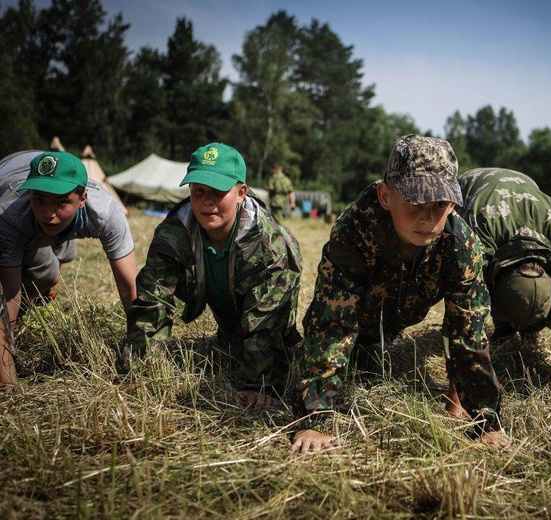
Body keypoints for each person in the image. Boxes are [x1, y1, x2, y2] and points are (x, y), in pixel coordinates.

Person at [290, 135, 507, 454]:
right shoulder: (354, 231)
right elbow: (332, 325)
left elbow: (468, 335)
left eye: (440, 205)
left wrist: (487, 421)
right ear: (385, 195)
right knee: (348, 357)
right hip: (358, 319)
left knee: (374, 362)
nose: (429, 219)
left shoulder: (462, 246)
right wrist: (314, 419)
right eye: (416, 201)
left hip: (398, 318)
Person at [120, 143, 302, 410]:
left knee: (279, 350)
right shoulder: (174, 233)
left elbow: (267, 318)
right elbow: (152, 302)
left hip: (267, 313)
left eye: (218, 192)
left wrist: (258, 385)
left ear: (241, 193)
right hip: (225, 306)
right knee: (231, 345)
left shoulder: (267, 245)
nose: (207, 202)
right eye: (199, 192)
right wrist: (138, 371)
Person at [455, 168, 551, 411]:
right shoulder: (478, 230)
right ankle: (505, 327)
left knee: (547, 304)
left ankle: (524, 324)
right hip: (470, 188)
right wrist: (457, 396)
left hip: (529, 184)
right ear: (493, 284)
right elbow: (465, 308)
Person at [0, 150, 138, 381]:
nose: (48, 214)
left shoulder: (105, 212)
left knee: (49, 277)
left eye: (62, 201)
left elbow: (130, 289)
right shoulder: (11, 214)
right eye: (39, 199)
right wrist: (10, 376)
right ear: (29, 193)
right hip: (9, 177)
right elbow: (9, 298)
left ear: (82, 199)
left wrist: (138, 351)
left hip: (48, 229)